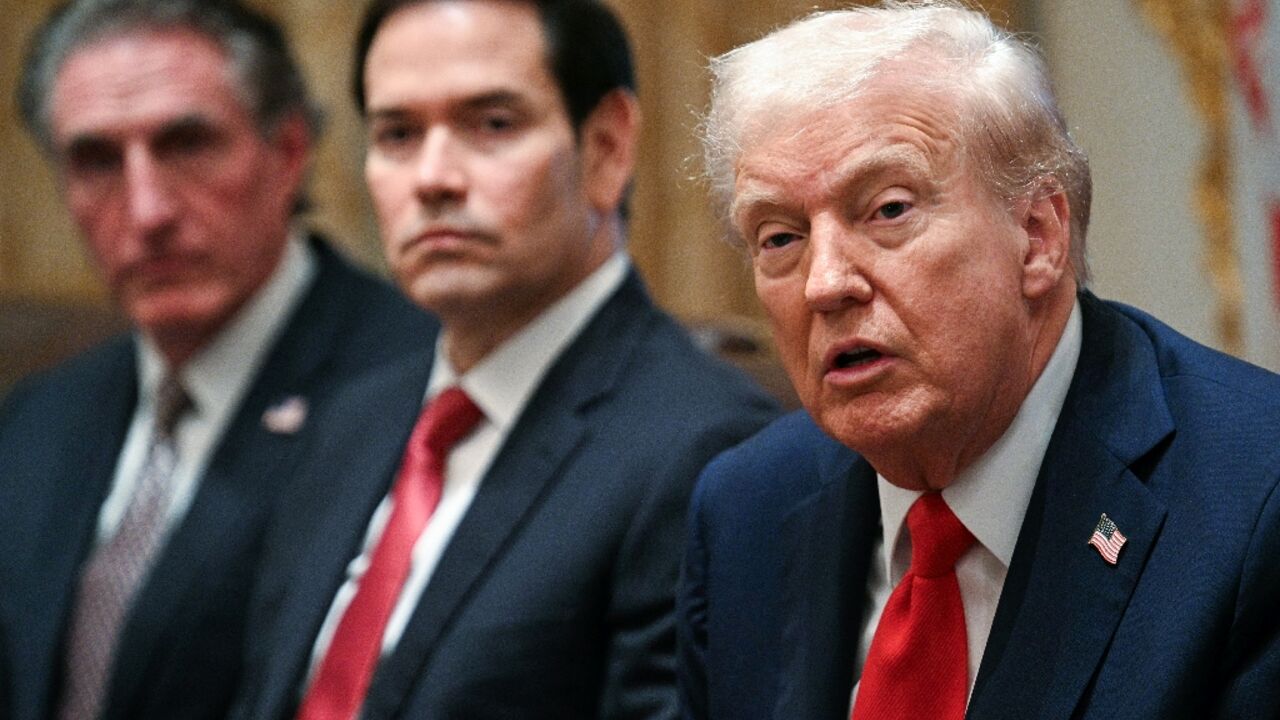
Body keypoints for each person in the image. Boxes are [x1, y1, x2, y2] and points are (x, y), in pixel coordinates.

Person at [677, 2, 1280, 719]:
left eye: (888, 210)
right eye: (779, 238)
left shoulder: (1255, 501)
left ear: (1037, 235)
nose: (825, 282)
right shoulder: (746, 510)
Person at [228, 1, 779, 719]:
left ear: (608, 147)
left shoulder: (709, 453)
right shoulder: (348, 421)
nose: (433, 178)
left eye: (492, 125)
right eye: (397, 134)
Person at [0, 1, 435, 719]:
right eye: (96, 160)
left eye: (187, 144)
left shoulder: (416, 396)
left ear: (288, 152)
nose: (146, 211)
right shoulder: (41, 418)